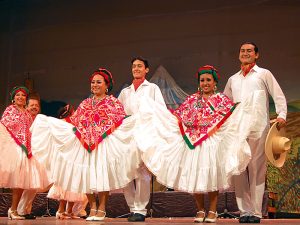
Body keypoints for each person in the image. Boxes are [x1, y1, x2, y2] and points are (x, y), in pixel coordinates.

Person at [133, 65, 267, 223]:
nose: (205, 83)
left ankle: (212, 210)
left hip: (212, 143)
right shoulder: (192, 100)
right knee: (195, 176)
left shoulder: (221, 100)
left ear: (214, 82)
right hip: (193, 143)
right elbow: (180, 116)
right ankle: (200, 209)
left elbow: (230, 116)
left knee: (211, 176)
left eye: (208, 80)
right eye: (202, 80)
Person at [30, 68, 138, 222]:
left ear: (107, 85)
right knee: (86, 175)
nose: (95, 85)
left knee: (102, 175)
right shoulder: (86, 103)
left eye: (98, 82)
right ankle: (93, 205)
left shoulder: (112, 102)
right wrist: (55, 124)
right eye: (93, 82)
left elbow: (119, 120)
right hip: (85, 145)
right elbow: (75, 122)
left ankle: (102, 208)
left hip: (104, 145)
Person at [224, 42, 287, 223]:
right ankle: (244, 211)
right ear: (238, 55)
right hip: (237, 129)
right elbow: (225, 104)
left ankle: (256, 212)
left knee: (257, 169)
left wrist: (281, 114)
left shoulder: (263, 74)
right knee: (239, 169)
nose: (245, 53)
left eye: (249, 51)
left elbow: (278, 95)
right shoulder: (233, 79)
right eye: (242, 51)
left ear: (256, 55)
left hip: (258, 127)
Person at [118, 56, 166, 222]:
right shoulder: (125, 92)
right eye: (134, 66)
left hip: (146, 133)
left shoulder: (152, 88)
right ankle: (132, 207)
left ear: (146, 69)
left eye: (140, 66)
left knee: (143, 172)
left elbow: (160, 110)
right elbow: (118, 114)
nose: (136, 68)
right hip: (128, 135)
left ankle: (140, 209)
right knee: (125, 173)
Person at [0, 86, 50, 220]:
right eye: (18, 96)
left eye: (23, 96)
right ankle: (14, 209)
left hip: (27, 150)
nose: (20, 98)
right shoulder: (10, 110)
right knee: (17, 181)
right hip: (16, 149)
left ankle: (14, 210)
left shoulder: (27, 114)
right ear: (13, 98)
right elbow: (5, 127)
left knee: (22, 182)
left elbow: (31, 131)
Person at [17, 94, 41, 219]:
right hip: (24, 154)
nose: (34, 107)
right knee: (26, 184)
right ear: (26, 106)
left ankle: (26, 210)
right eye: (31, 105)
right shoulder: (23, 119)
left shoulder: (39, 120)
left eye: (36, 105)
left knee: (34, 185)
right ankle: (19, 210)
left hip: (36, 155)